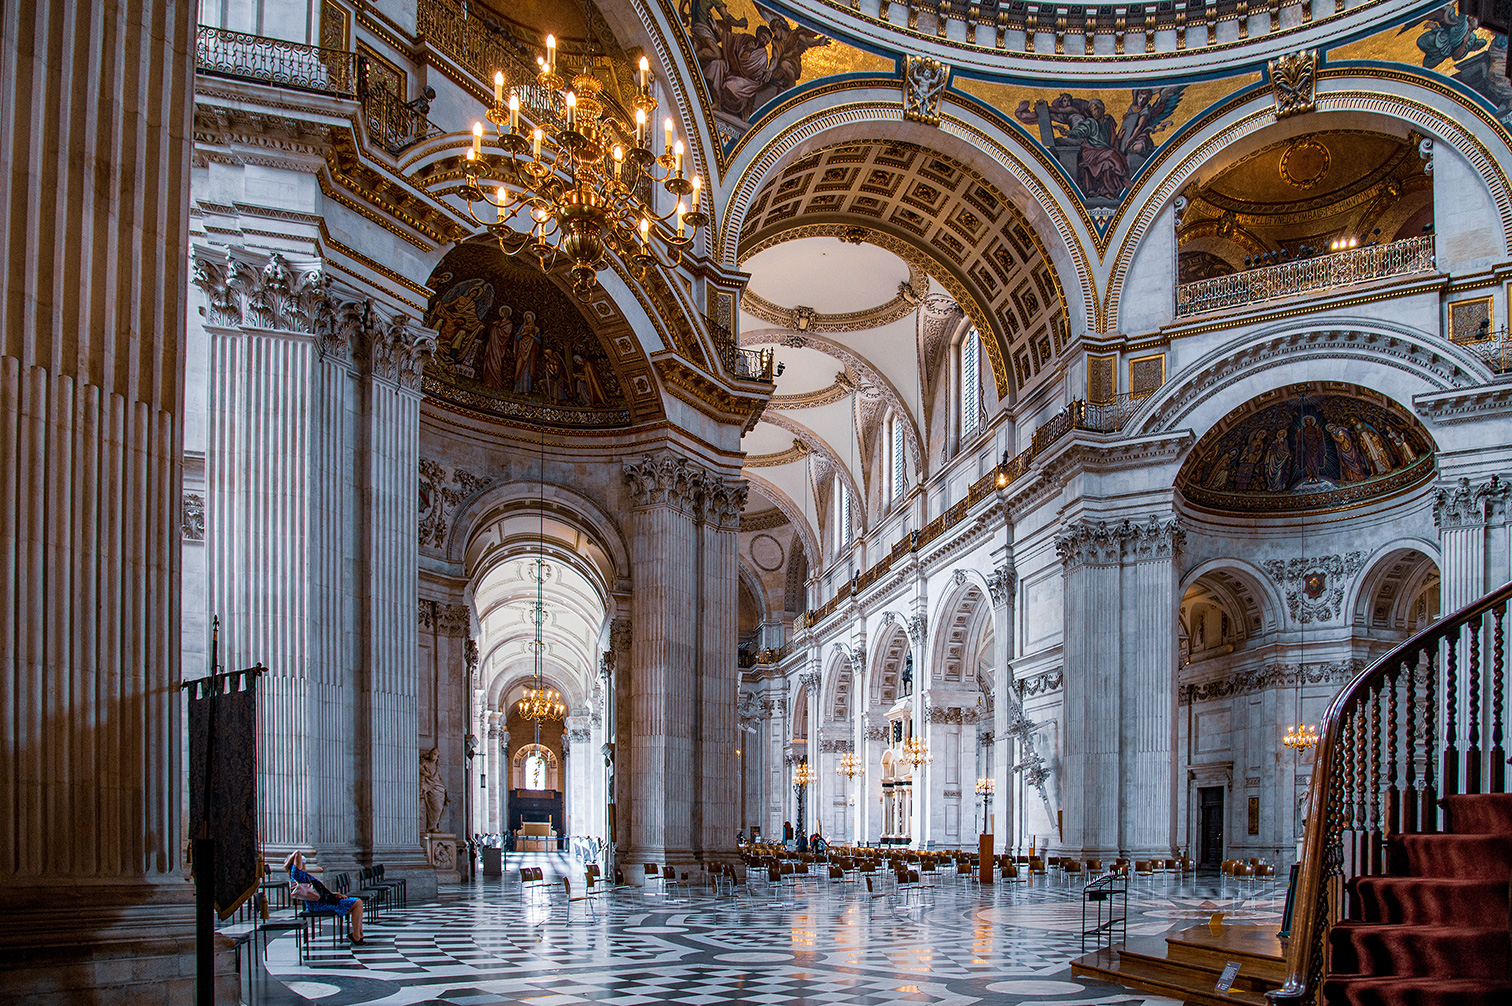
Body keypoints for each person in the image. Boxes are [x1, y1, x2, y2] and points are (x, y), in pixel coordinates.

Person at [285, 851, 365, 945]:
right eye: (303, 862)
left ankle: (358, 934)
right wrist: (293, 857)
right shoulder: (297, 873)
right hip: (317, 904)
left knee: (358, 903)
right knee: (357, 903)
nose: (304, 865)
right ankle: (357, 935)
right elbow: (298, 853)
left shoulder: (303, 875)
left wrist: (332, 894)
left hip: (321, 901)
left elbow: (318, 890)